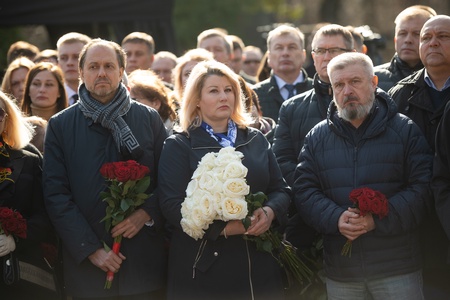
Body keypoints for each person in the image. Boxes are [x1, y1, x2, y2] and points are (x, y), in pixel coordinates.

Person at [294, 52, 432, 299]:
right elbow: (304, 190)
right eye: (339, 84)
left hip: (397, 268)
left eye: (355, 81)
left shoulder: (404, 130)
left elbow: (422, 189)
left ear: (374, 83)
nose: (347, 91)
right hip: (342, 272)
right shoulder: (317, 137)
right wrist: (336, 217)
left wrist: (377, 219)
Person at [43, 38, 168, 299]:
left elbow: (167, 180)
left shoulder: (148, 119)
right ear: (81, 72)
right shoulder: (61, 125)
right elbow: (55, 194)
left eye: (109, 66)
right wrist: (90, 250)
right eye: (93, 66)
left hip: (143, 263)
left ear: (122, 72)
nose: (102, 73)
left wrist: (145, 213)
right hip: (89, 270)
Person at [158, 60, 291, 300]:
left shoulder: (256, 139)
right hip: (205, 265)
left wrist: (270, 212)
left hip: (258, 262)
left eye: (228, 90)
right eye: (214, 91)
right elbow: (170, 205)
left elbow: (280, 189)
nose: (224, 97)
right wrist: (227, 229)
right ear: (196, 100)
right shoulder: (179, 144)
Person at [389, 14, 450, 300]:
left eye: (443, 37)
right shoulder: (398, 96)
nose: (433, 43)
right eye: (427, 38)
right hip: (416, 221)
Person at [0, 91, 59, 300]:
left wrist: (16, 239)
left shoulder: (29, 161)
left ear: (6, 120)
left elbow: (46, 216)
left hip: (18, 278)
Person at [252, 24, 313, 122]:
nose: (285, 53)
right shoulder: (254, 95)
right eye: (279, 48)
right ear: (269, 57)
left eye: (292, 47)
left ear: (303, 55)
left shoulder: (318, 91)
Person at [374, 6, 435, 92]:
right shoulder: (371, 77)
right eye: (402, 33)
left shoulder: (442, 78)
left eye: (416, 34)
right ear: (395, 39)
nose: (408, 40)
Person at [128, 69, 177, 134]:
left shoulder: (176, 135)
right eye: (126, 100)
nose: (128, 105)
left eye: (134, 100)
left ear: (156, 103)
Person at [56, 32, 92, 106]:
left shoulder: (103, 97)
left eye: (76, 57)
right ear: (58, 63)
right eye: (63, 58)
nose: (69, 63)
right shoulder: (50, 99)